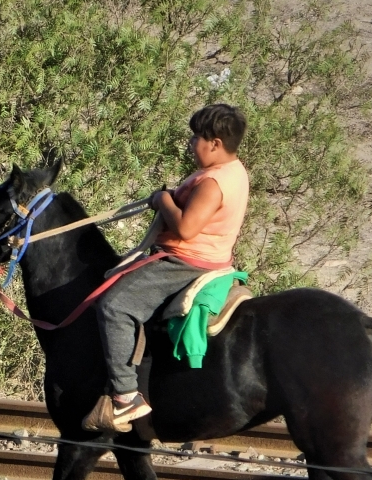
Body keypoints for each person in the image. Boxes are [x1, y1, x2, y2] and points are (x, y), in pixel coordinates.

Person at [83, 103, 250, 432]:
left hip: (185, 261)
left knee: (114, 305)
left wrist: (163, 202)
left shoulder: (214, 183)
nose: (191, 144)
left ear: (215, 143)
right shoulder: (233, 170)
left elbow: (187, 229)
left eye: (196, 138)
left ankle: (125, 396)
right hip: (208, 256)